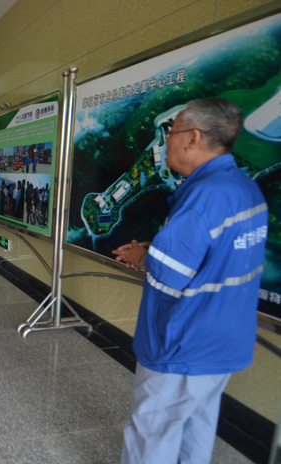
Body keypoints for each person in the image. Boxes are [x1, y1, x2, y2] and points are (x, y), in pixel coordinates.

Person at [112, 98, 268, 464]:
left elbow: (168, 272)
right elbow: (216, 257)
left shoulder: (203, 196)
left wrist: (141, 257)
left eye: (171, 131)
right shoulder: (245, 189)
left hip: (184, 343)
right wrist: (156, 249)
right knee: (196, 427)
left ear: (193, 138)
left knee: (151, 433)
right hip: (224, 340)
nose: (165, 141)